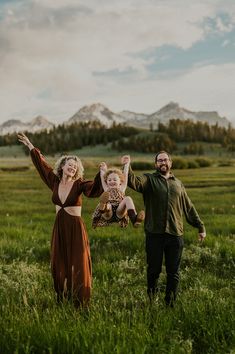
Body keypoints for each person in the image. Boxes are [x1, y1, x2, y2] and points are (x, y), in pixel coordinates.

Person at [18, 133, 103, 307]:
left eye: (75, 166)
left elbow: (93, 189)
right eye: (69, 165)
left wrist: (101, 174)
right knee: (60, 261)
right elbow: (42, 166)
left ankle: (80, 302)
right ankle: (62, 298)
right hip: (59, 228)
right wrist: (30, 145)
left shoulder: (79, 184)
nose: (72, 168)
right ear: (63, 166)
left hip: (75, 228)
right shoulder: (54, 182)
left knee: (78, 262)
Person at [122, 151, 206, 307]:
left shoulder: (178, 184)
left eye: (165, 160)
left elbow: (188, 207)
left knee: (173, 273)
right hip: (155, 234)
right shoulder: (149, 179)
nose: (163, 162)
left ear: (170, 163)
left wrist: (200, 226)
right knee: (153, 271)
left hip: (175, 234)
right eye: (159, 160)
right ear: (156, 164)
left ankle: (170, 304)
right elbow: (134, 182)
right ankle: (152, 301)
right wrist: (127, 165)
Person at [92, 160, 145, 228]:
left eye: (114, 179)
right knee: (108, 205)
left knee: (128, 198)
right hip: (108, 213)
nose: (112, 181)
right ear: (106, 181)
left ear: (120, 181)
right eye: (109, 180)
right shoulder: (106, 188)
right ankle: (103, 207)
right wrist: (103, 168)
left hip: (119, 212)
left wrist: (127, 164)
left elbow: (125, 174)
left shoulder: (122, 188)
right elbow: (102, 177)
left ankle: (135, 219)